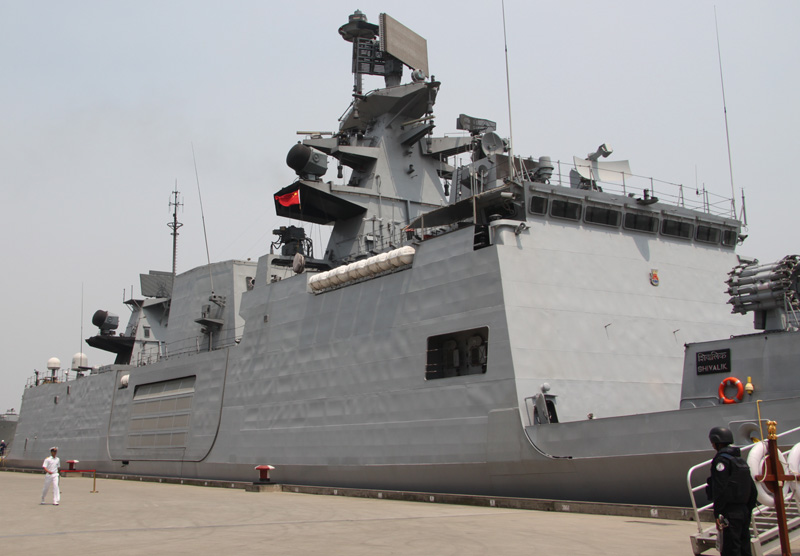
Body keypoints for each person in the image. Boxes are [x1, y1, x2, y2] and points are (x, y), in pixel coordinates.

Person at [706, 427, 757, 556]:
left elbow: (720, 488)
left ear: (716, 442)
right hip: (744, 511)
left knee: (730, 549)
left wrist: (717, 513)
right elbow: (753, 490)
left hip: (730, 512)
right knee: (744, 547)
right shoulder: (740, 461)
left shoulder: (721, 461)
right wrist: (748, 510)